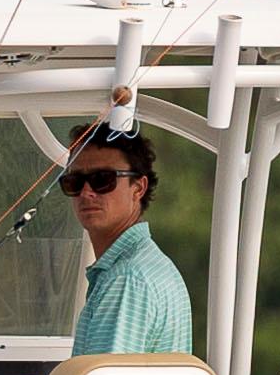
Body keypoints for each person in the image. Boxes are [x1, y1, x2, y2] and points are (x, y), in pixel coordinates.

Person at [56, 122, 191, 360]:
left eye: (102, 179)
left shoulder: (126, 279)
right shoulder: (151, 265)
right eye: (75, 181)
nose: (87, 192)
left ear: (138, 187)